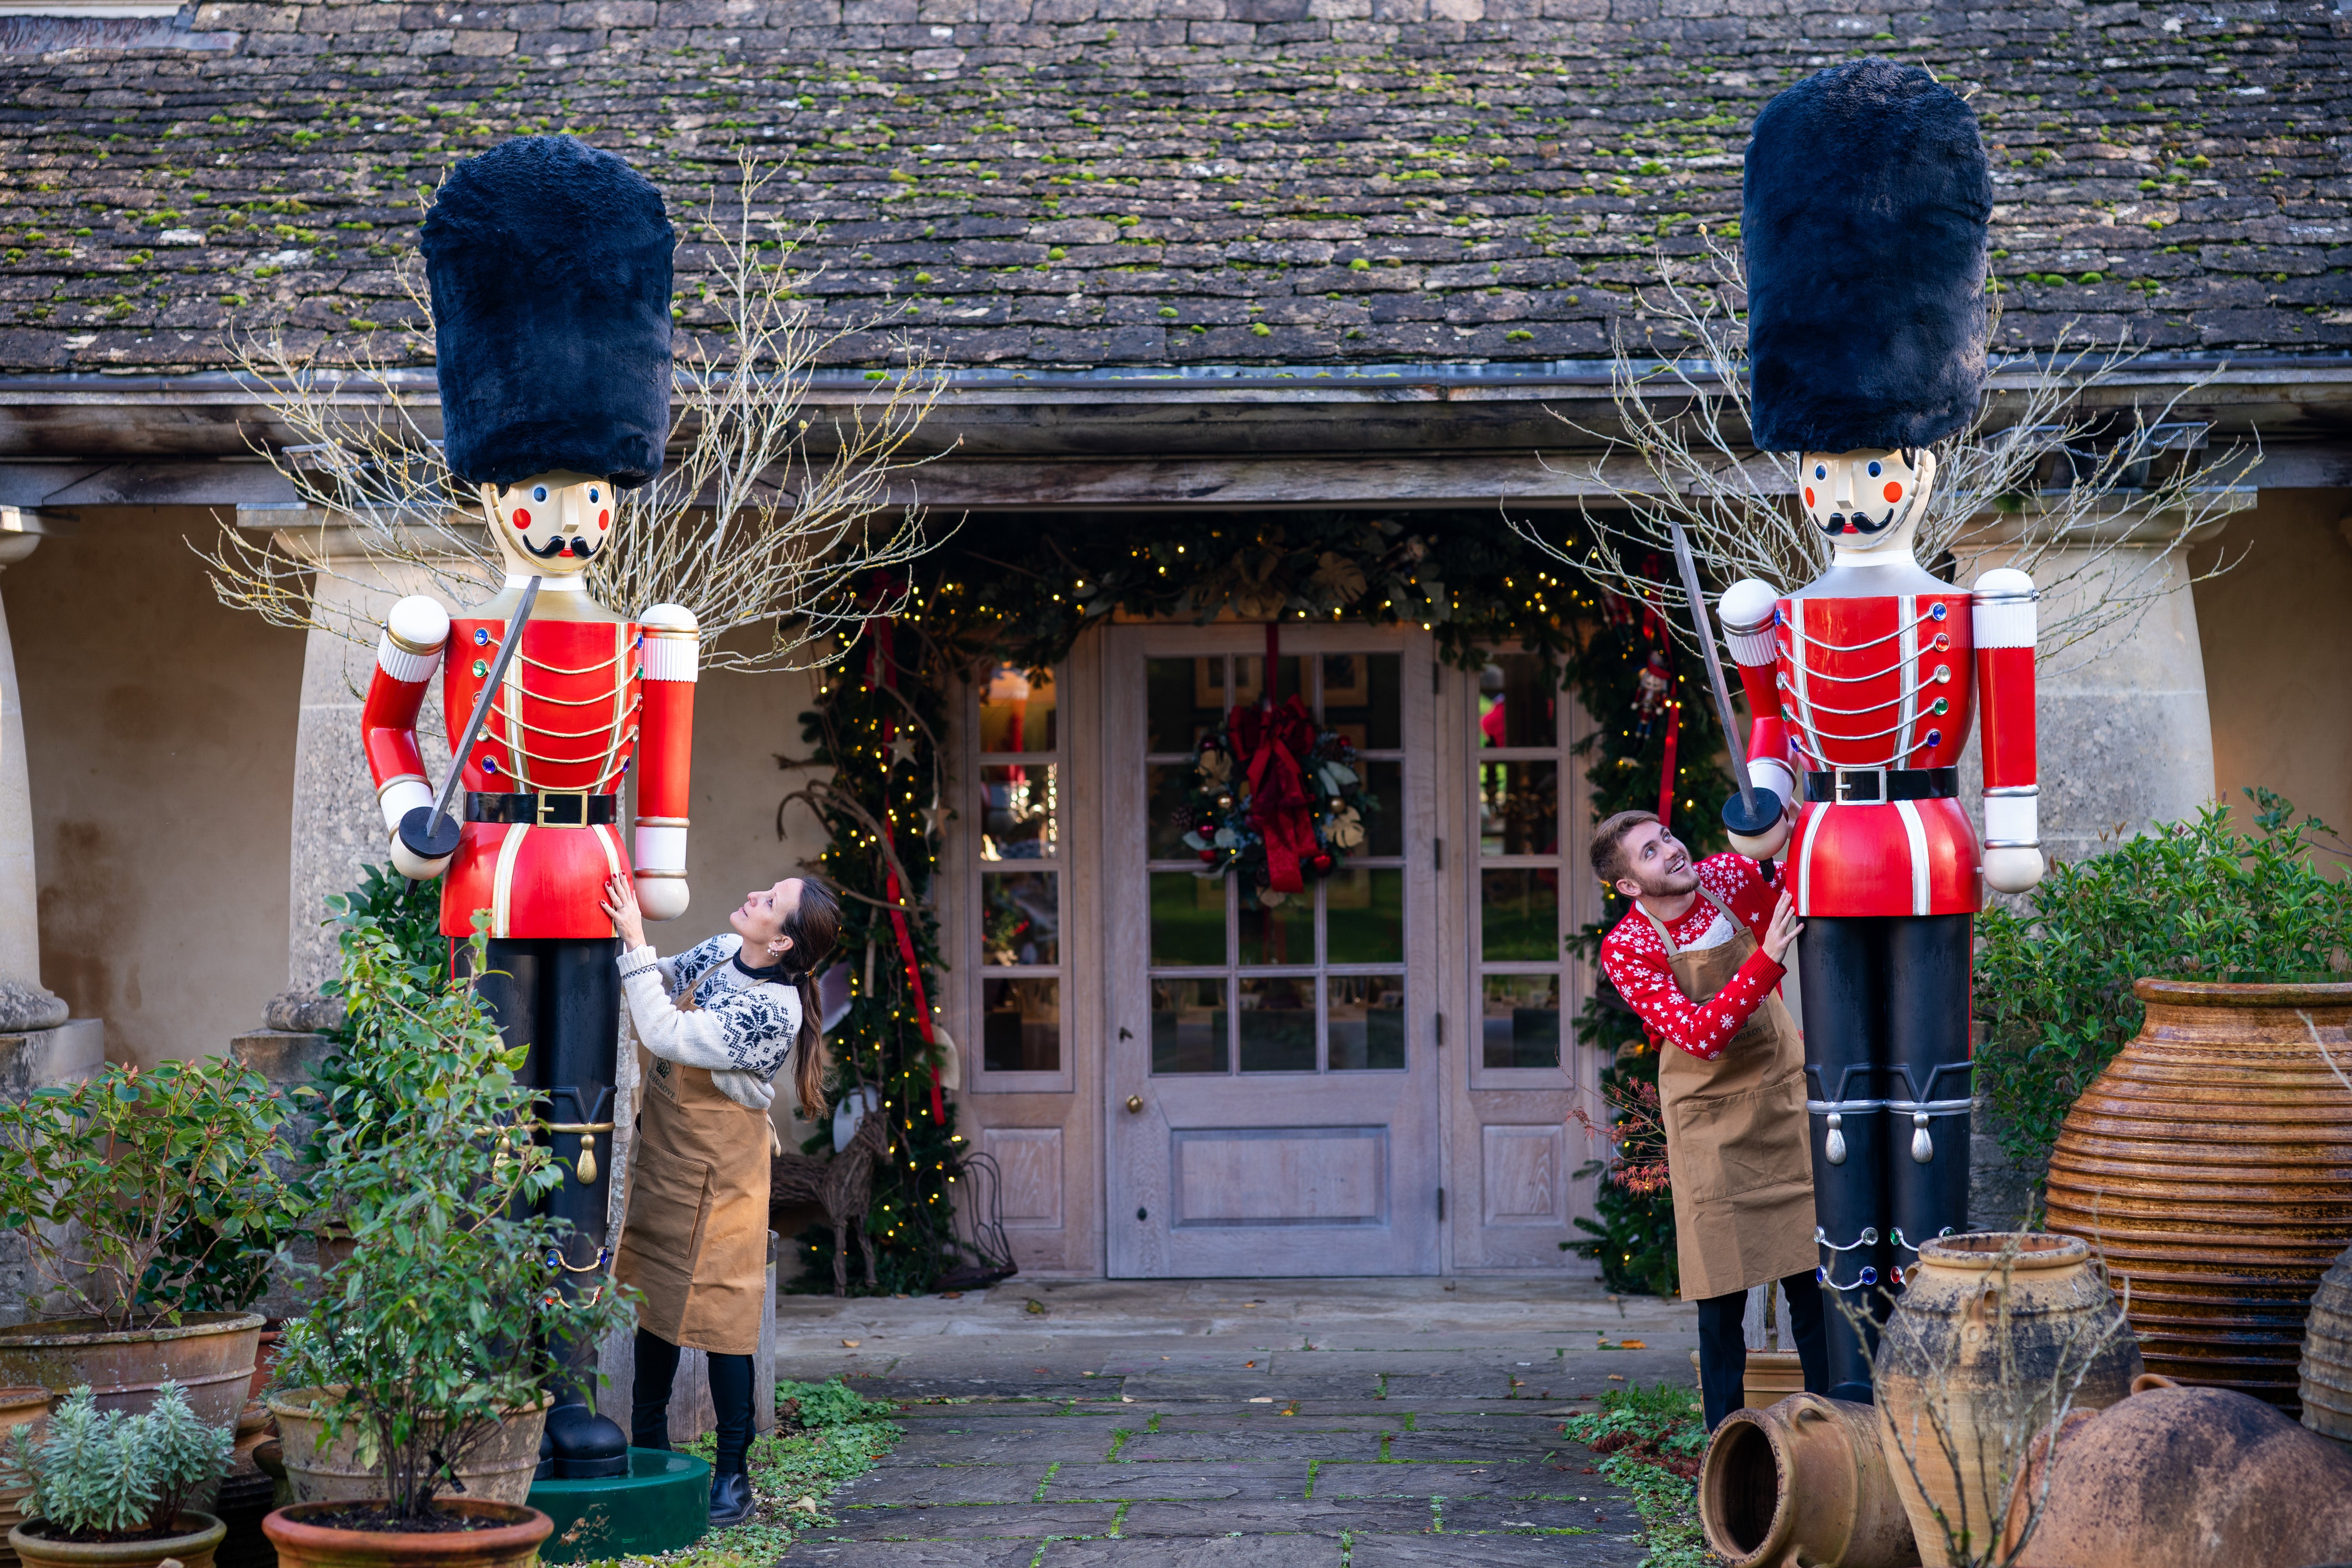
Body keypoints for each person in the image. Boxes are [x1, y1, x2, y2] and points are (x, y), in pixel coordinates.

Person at [602, 870, 842, 1527]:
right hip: (669, 1160)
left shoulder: (774, 1012)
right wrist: (628, 948)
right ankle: (649, 1451)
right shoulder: (717, 952)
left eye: (770, 902)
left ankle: (734, 1477)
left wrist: (633, 936)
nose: (755, 896)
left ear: (784, 942)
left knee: (725, 1319)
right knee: (655, 1295)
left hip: (726, 1175)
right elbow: (652, 985)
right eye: (764, 889)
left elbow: (666, 1035)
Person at [1592, 809, 1827, 1431]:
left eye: (1666, 837)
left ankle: (1837, 1432)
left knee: (1811, 1285)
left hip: (1780, 1102)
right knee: (1720, 1300)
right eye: (1649, 853)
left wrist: (1783, 818)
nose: (1671, 850)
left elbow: (1800, 867)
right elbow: (1701, 1036)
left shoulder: (1724, 877)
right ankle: (1725, 1456)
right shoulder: (1628, 948)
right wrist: (1767, 958)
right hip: (1708, 1129)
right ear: (1630, 887)